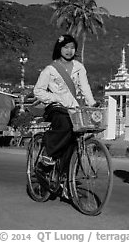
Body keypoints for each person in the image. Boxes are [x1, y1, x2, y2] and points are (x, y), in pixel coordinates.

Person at [33, 34, 99, 169]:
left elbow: (84, 86)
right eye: (66, 47)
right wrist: (56, 98)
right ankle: (48, 153)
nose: (69, 51)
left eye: (72, 47)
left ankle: (65, 176)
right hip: (55, 107)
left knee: (75, 136)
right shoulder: (50, 70)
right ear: (59, 48)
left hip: (73, 107)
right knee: (66, 124)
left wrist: (92, 103)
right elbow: (38, 91)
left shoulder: (79, 67)